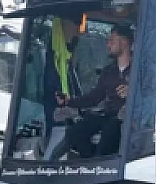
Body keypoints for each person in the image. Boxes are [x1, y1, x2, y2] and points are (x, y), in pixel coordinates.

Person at [55, 23, 134, 158]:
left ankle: (100, 161)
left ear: (125, 42)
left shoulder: (140, 69)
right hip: (108, 115)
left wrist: (132, 93)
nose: (108, 45)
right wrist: (69, 101)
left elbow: (150, 94)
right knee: (75, 132)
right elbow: (94, 97)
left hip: (127, 118)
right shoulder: (108, 71)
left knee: (111, 130)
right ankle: (89, 160)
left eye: (112, 40)